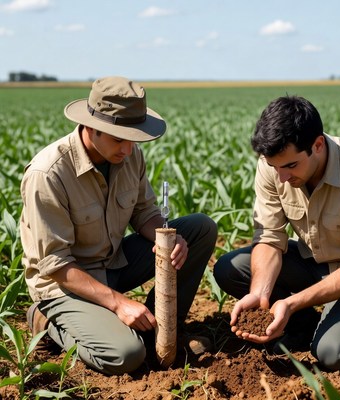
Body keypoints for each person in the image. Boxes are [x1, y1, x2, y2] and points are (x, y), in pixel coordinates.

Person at [20, 76, 217, 375]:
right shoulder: (48, 174)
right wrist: (118, 304)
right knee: (126, 354)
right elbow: (56, 265)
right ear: (91, 127)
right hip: (64, 285)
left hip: (113, 263)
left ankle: (163, 332)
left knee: (199, 228)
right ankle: (46, 323)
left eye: (133, 138)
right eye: (118, 138)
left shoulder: (130, 155)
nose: (128, 149)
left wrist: (168, 239)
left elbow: (144, 212)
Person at [214, 95, 340, 371]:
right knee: (232, 268)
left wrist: (290, 303)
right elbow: (269, 238)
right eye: (275, 167)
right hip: (313, 261)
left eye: (290, 166)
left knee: (332, 354)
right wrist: (261, 295)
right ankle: (306, 324)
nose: (282, 178)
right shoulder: (275, 164)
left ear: (318, 145)